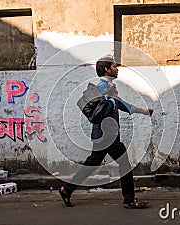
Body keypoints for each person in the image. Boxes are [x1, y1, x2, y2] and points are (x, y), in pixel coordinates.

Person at [59, 55, 153, 209]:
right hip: (107, 135)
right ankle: (129, 200)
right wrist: (111, 97)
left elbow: (122, 105)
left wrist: (144, 111)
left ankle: (67, 190)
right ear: (107, 69)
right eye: (114, 66)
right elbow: (106, 108)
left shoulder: (107, 87)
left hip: (102, 136)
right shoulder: (103, 87)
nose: (117, 69)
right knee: (124, 164)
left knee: (93, 163)